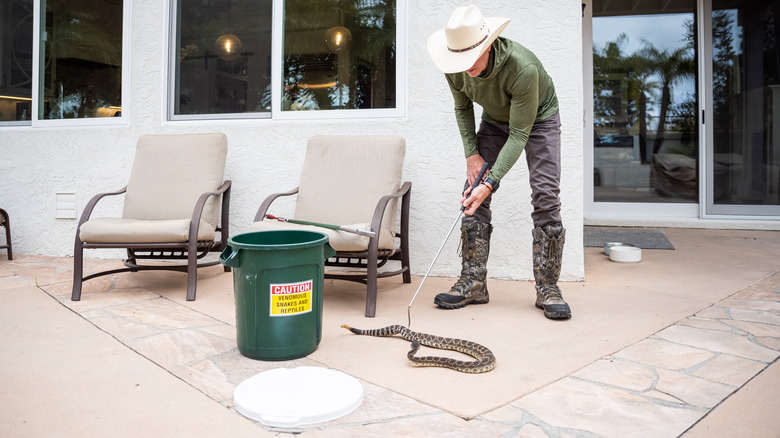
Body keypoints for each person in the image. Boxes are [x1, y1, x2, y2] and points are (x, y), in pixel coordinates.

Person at [426, 5, 571, 320]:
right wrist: (472, 155)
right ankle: (474, 283)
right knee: (472, 191)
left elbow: (519, 134)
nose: (465, 68)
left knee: (545, 193)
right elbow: (462, 107)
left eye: (470, 59)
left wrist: (492, 181)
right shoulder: (454, 66)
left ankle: (548, 287)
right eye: (459, 61)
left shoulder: (523, 68)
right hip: (494, 120)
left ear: (487, 45)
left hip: (539, 119)